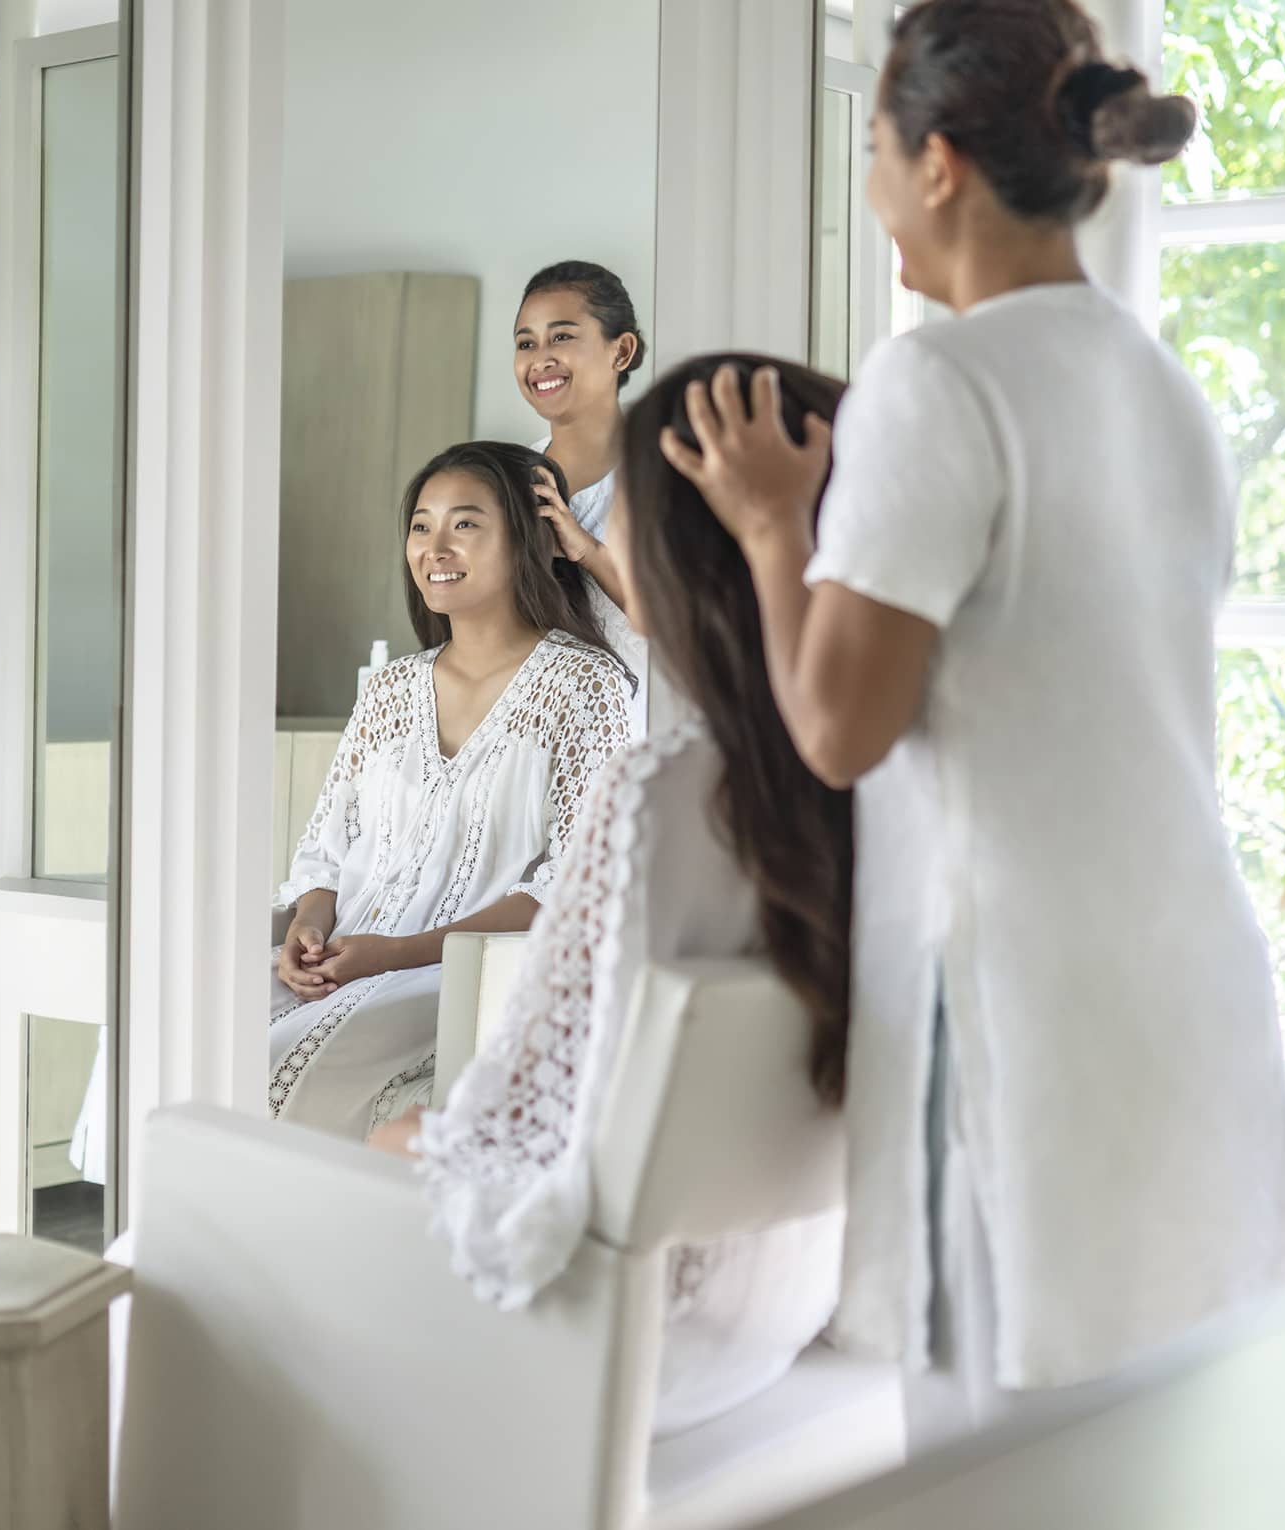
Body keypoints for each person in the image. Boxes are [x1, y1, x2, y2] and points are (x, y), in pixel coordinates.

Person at [660, 0, 1285, 1433]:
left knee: (1001, 1472)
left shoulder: (935, 381)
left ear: (936, 163)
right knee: (1169, 1453)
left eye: (874, 149)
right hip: (1188, 992)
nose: (872, 185)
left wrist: (773, 525)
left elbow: (836, 726)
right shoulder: (1160, 386)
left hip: (1022, 1020)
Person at [369, 357, 852, 1438]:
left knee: (372, 1148)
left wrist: (405, 1141)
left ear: (679, 552)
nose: (597, 547)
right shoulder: (877, 792)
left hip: (616, 1335)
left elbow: (521, 1132)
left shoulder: (658, 793)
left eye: (619, 515)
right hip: (775, 1318)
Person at [270, 442, 632, 1139]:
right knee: (173, 1043)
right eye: (420, 525)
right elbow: (324, 851)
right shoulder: (389, 689)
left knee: (263, 1071)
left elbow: (577, 884)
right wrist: (308, 928)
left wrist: (400, 953)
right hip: (343, 960)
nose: (436, 546)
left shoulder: (586, 687)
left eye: (464, 524)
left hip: (466, 980)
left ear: (527, 541)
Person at [513, 259, 649, 730]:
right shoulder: (509, 479)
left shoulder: (670, 471)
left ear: (622, 351)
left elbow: (685, 622)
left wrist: (586, 550)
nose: (540, 358)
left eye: (562, 337)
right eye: (526, 343)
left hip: (640, 740)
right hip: (533, 745)